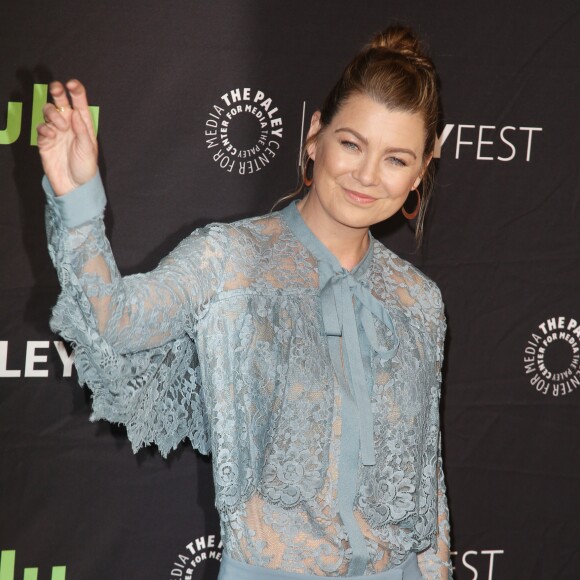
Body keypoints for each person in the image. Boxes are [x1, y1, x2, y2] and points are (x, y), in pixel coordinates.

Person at [38, 25, 452, 580]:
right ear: (314, 137)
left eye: (396, 159)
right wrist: (78, 198)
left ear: (423, 169)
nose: (367, 176)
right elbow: (113, 321)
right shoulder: (229, 260)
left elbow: (427, 486)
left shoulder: (420, 302)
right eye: (352, 144)